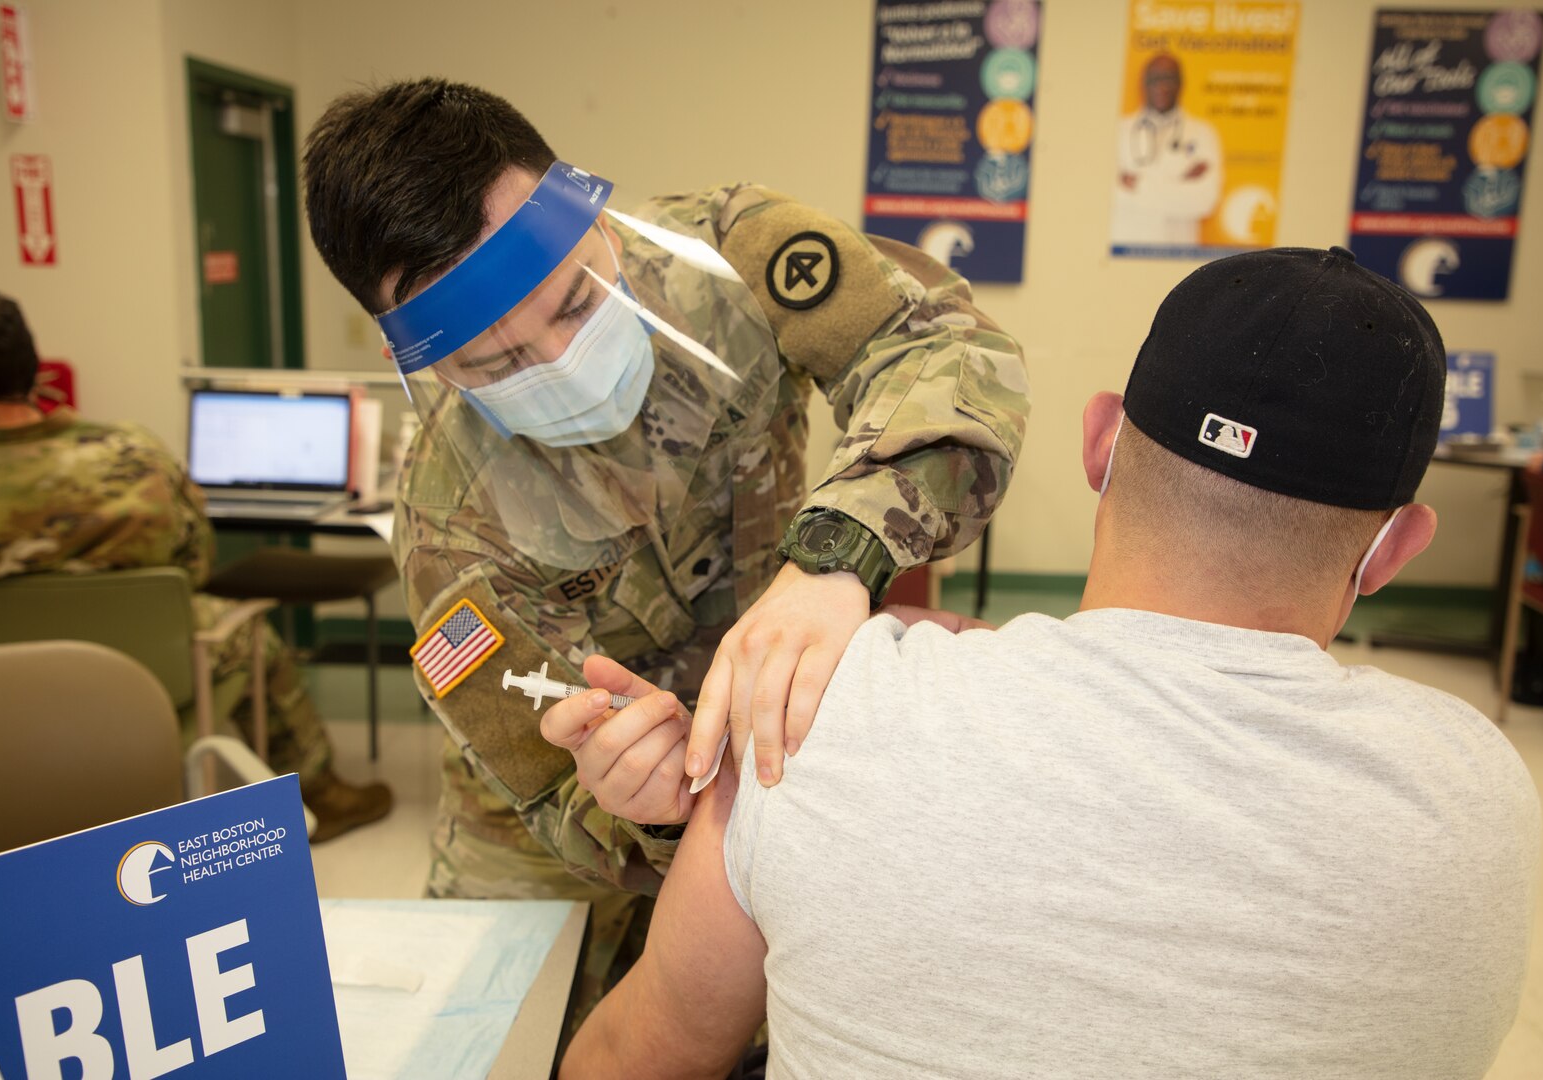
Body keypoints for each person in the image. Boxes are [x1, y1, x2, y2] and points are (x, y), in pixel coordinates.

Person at [564, 246, 1541, 1079]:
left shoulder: (827, 713)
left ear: (1101, 441)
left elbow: (630, 1062)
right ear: (1397, 546)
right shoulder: (1477, 792)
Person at [302, 78, 1028, 1006]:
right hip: (547, 854)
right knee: (526, 1041)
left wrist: (837, 556)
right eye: (494, 361)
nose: (558, 363)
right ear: (423, 359)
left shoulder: (730, 260)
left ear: (590, 216)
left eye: (573, 303)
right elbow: (546, 787)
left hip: (763, 746)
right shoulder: (452, 525)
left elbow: (946, 353)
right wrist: (631, 807)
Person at [0, 282, 392, 843]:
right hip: (149, 675)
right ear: (31, 362)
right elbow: (196, 563)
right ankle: (319, 792)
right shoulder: (131, 456)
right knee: (250, 633)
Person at [1112, 52, 1223, 249]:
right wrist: (1179, 183)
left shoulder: (1203, 133)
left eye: (1168, 78)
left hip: (1178, 254)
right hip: (1125, 251)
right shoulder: (1119, 131)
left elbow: (1205, 201)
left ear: (1181, 83)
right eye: (1155, 78)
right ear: (1143, 83)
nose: (1161, 86)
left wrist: (1137, 183)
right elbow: (1114, 195)